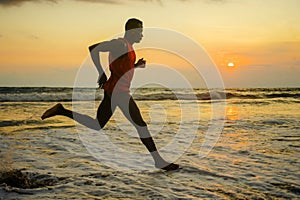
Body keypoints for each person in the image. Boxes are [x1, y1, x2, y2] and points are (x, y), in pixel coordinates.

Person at [41, 18, 179, 171]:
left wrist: (135, 66)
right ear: (131, 31)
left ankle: (61, 110)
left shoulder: (128, 48)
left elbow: (120, 68)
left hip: (115, 91)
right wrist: (101, 72)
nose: (141, 35)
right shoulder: (120, 44)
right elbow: (93, 48)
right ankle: (158, 161)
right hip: (118, 92)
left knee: (98, 124)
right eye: (139, 31)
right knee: (141, 125)